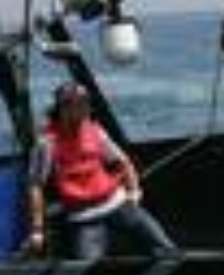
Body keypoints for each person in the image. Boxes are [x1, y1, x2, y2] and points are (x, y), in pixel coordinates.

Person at [25, 81, 178, 260]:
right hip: (84, 217)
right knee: (87, 267)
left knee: (166, 249)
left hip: (117, 203)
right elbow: (35, 186)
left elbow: (123, 162)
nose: (85, 109)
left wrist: (134, 191)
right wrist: (37, 230)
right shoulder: (46, 143)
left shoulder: (96, 130)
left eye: (85, 104)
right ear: (63, 108)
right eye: (78, 105)